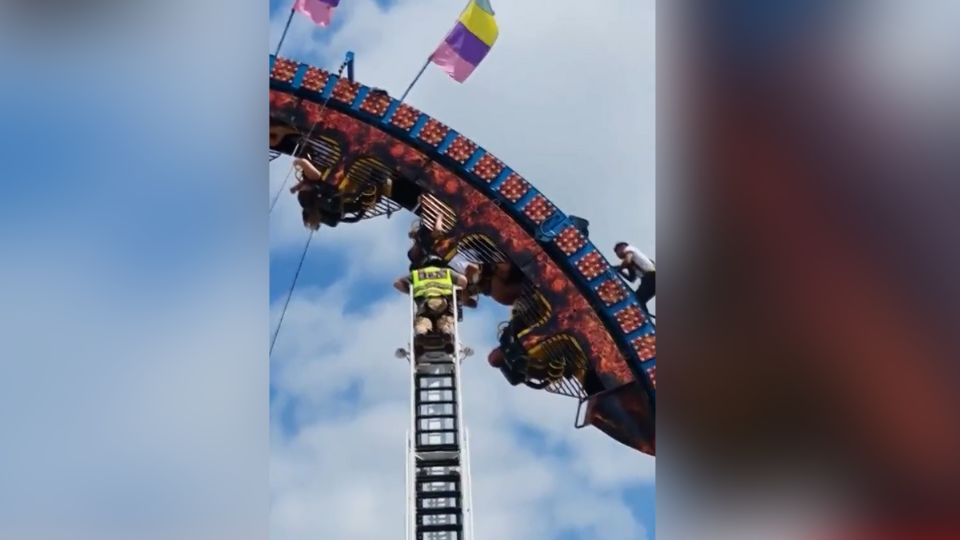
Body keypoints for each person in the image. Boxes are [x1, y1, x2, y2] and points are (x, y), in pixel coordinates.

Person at [393, 256, 468, 347]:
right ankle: (446, 332)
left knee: (423, 321)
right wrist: (458, 292)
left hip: (424, 304)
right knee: (445, 319)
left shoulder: (416, 274)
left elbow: (397, 283)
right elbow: (463, 280)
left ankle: (421, 333)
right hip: (443, 303)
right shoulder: (447, 272)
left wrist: (411, 292)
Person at [614, 242, 656, 308]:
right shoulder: (630, 264)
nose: (617, 254)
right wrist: (620, 271)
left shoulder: (629, 249)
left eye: (617, 251)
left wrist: (618, 269)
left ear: (622, 247)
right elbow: (632, 279)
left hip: (651, 275)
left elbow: (627, 260)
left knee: (637, 299)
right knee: (640, 301)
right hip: (650, 279)